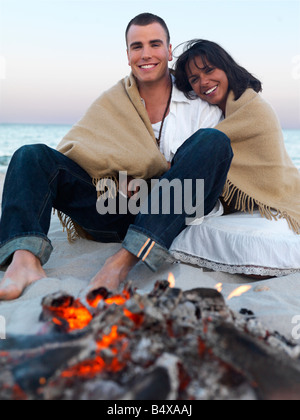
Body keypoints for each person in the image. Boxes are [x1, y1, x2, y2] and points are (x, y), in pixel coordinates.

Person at [0, 16, 233, 300]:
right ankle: (25, 260)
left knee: (214, 141)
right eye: (137, 46)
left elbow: (201, 168)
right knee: (30, 156)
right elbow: (84, 155)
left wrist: (150, 180)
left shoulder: (198, 105)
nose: (146, 54)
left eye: (155, 44)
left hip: (177, 209)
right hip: (117, 206)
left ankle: (122, 261)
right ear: (128, 55)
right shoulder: (114, 101)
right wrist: (117, 182)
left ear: (169, 51)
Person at [173, 39, 300, 276]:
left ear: (226, 67)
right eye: (194, 79)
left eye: (209, 70)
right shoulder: (213, 113)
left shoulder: (251, 108)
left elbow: (204, 155)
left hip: (276, 198)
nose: (204, 82)